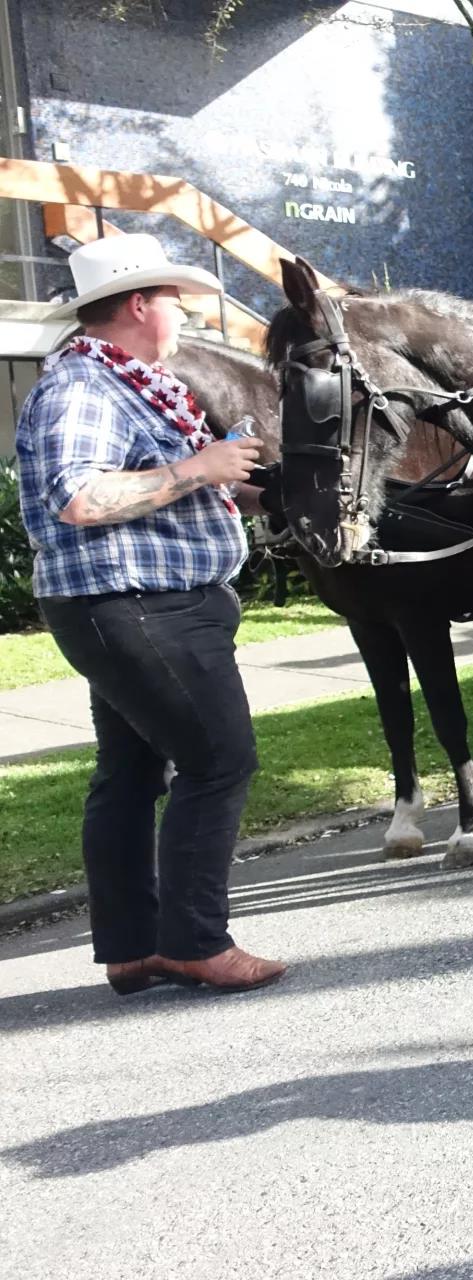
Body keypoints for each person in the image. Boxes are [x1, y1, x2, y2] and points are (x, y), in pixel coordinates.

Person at [15, 234, 286, 995]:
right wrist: (200, 465)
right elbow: (79, 496)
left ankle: (133, 948)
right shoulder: (83, 388)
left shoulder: (127, 383)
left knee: (131, 770)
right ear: (140, 304)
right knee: (219, 761)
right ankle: (196, 943)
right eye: (176, 302)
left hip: (138, 605)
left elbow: (176, 483)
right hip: (139, 607)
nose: (183, 316)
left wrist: (256, 485)